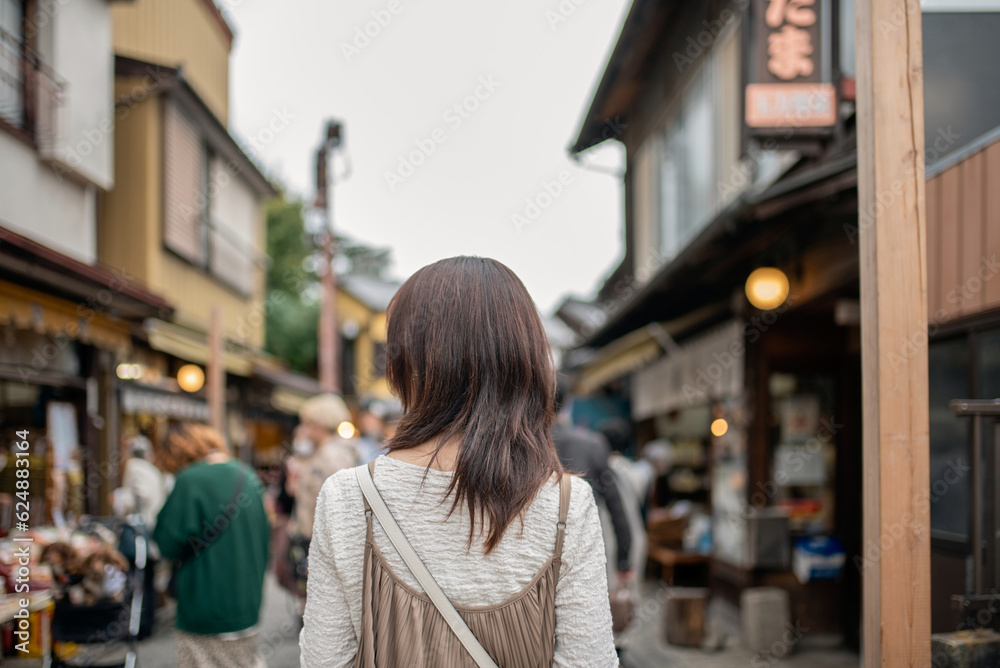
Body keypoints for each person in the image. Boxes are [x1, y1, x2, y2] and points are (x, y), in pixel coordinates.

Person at [300, 256, 618, 667]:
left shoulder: (348, 497)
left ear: (405, 363)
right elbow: (589, 661)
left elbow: (324, 660)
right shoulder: (566, 504)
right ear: (526, 362)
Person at [154, 423, 270, 668]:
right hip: (247, 603)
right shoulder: (247, 474)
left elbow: (168, 543)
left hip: (205, 604)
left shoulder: (190, 480)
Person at [551, 382, 634, 588]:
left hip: (535, 552)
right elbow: (617, 508)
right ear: (567, 402)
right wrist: (623, 560)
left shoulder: (520, 445)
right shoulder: (593, 445)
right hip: (582, 546)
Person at [111, 434, 170, 530]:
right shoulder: (151, 469)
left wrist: (119, 498)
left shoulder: (134, 466)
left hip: (141, 523)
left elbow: (143, 494)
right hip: (151, 520)